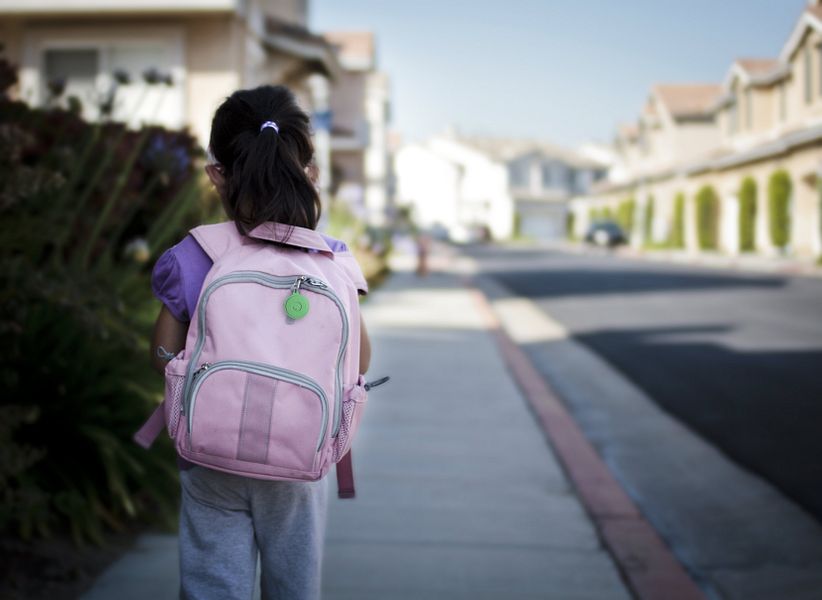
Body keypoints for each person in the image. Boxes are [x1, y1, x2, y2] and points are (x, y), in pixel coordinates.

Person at [148, 85, 371, 600]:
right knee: (293, 586)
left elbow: (161, 356)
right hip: (300, 457)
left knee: (212, 583)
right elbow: (358, 359)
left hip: (209, 454)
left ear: (216, 175)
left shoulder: (196, 252)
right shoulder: (331, 260)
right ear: (309, 173)